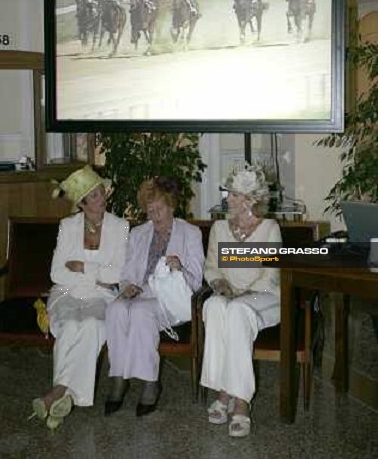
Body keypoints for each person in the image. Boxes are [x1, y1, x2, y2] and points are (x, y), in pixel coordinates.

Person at [31, 165, 129, 430]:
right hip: (66, 293)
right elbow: (56, 273)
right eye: (95, 196)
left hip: (102, 295)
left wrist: (83, 267)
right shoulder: (67, 226)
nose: (102, 199)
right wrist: (97, 274)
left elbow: (117, 274)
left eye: (102, 193)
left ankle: (58, 392)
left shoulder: (120, 226)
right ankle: (67, 396)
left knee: (93, 326)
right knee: (71, 325)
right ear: (82, 203)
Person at [104, 177, 204, 417]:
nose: (154, 215)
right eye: (150, 210)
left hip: (170, 298)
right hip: (140, 293)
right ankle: (119, 378)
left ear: (171, 205)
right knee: (115, 309)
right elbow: (126, 272)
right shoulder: (138, 233)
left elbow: (197, 280)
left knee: (140, 313)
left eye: (159, 208)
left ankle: (150, 382)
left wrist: (179, 267)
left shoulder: (190, 233)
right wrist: (127, 286)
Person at [199, 165, 282, 438]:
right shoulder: (219, 228)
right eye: (229, 194)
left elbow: (271, 275)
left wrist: (242, 294)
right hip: (230, 294)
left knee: (236, 310)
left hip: (265, 297)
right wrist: (220, 285)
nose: (229, 199)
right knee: (212, 305)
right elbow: (211, 268)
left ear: (251, 199)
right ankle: (225, 391)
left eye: (235, 195)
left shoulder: (270, 228)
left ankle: (236, 400)